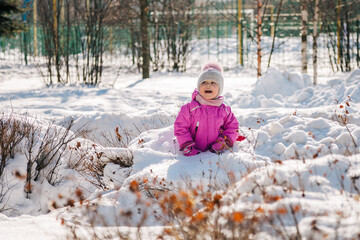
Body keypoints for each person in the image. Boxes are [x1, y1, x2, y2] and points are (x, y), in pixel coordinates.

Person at [174, 63, 243, 156]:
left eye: (213, 83)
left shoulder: (225, 110)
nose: (208, 85)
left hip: (215, 156)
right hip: (193, 156)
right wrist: (187, 145)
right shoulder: (189, 109)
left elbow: (233, 128)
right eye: (204, 82)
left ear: (220, 88)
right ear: (198, 87)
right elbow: (180, 127)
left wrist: (222, 144)